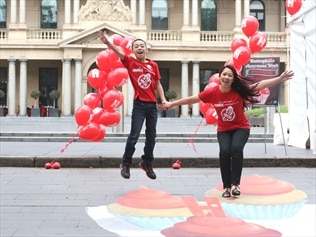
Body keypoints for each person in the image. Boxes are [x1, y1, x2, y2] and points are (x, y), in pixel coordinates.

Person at [165, 65, 294, 197]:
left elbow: (258, 85)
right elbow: (193, 99)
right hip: (224, 129)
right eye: (224, 74)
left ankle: (235, 185)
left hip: (241, 127)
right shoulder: (212, 92)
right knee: (225, 152)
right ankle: (226, 186)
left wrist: (279, 78)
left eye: (230, 75)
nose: (226, 77)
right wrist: (172, 104)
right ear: (220, 76)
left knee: (236, 149)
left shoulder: (238, 91)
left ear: (233, 79)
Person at [97, 30, 167, 180]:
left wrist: (163, 100)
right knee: (134, 136)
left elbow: (158, 85)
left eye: (142, 46)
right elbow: (119, 52)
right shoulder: (130, 62)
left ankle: (147, 163)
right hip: (139, 105)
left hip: (152, 106)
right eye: (137, 46)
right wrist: (107, 42)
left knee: (151, 136)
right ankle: (126, 164)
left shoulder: (154, 65)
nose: (140, 48)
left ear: (147, 49)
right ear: (133, 51)